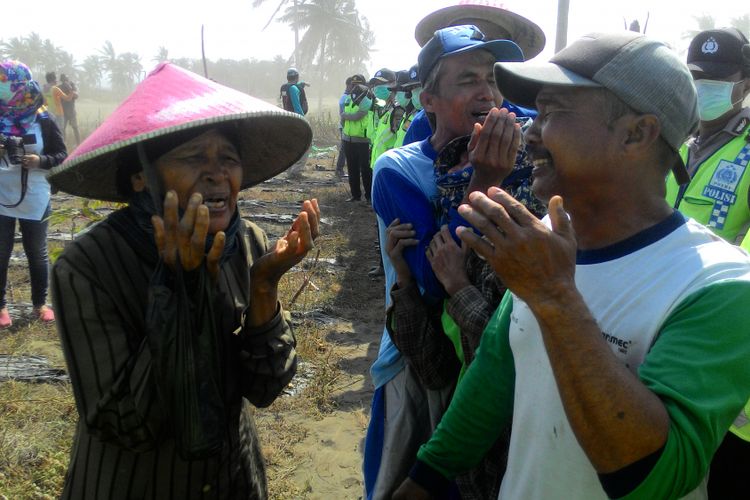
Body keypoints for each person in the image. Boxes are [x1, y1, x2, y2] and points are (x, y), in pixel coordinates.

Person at [393, 31, 750, 500]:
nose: (529, 132)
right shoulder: (543, 240)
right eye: (535, 112)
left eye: (553, 112)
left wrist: (555, 297)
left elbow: (654, 477)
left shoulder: (720, 286)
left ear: (636, 133)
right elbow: (494, 377)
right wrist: (422, 481)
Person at [47, 62, 319, 499]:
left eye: (228, 159)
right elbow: (124, 423)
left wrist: (264, 288)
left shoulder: (247, 242)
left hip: (234, 478)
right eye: (194, 157)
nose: (216, 174)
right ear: (141, 177)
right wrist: (178, 287)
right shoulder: (88, 265)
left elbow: (266, 386)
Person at [363, 25, 524, 500]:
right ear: (428, 99)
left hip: (489, 353)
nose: (487, 92)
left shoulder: (522, 152)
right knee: (403, 481)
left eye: (493, 78)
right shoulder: (398, 168)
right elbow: (435, 280)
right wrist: (486, 179)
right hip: (421, 358)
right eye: (467, 80)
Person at [667, 27, 750, 500]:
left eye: (720, 80)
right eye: (697, 77)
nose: (706, 89)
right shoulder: (674, 143)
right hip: (666, 334)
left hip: (725, 344)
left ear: (743, 84)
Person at [403, 1, 544, 146]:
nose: (478, 50)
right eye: (464, 37)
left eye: (489, 42)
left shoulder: (534, 123)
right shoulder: (421, 125)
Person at [0, 60, 66, 329]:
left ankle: (40, 303)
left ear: (19, 85)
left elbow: (61, 155)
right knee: (1, 252)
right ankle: (2, 307)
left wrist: (39, 161)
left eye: (5, 83)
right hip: (2, 194)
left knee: (36, 252)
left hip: (35, 194)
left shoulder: (43, 117)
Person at [341, 74, 373, 203]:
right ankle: (355, 195)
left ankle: (369, 197)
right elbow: (343, 115)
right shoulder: (349, 97)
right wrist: (345, 118)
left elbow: (359, 115)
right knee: (352, 167)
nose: (354, 86)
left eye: (357, 84)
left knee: (365, 169)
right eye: (353, 84)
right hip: (348, 138)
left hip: (362, 139)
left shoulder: (367, 98)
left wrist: (345, 115)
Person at [280, 67, 310, 179]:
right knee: (306, 144)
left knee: (290, 145)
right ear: (296, 77)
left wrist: (303, 83)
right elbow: (297, 106)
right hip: (296, 120)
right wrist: (303, 121)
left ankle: (288, 169)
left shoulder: (285, 87)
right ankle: (296, 171)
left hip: (287, 119)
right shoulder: (294, 89)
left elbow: (295, 87)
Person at [336, 76, 353, 178]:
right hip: (344, 126)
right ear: (348, 85)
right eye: (352, 85)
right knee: (344, 148)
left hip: (346, 126)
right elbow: (342, 114)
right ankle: (339, 169)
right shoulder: (345, 97)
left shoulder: (348, 96)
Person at [58, 73, 81, 147]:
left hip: (71, 111)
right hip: (63, 112)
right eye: (63, 80)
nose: (65, 81)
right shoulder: (59, 87)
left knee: (75, 128)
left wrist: (70, 88)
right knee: (62, 129)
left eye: (66, 80)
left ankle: (79, 144)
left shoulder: (72, 85)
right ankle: (64, 144)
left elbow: (76, 95)